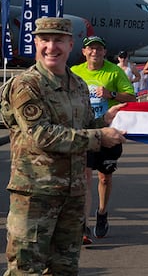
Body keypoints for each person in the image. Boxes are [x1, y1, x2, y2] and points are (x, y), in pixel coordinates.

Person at [2, 18, 127, 275]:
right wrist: (99, 136)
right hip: (36, 195)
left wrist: (104, 120)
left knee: (65, 267)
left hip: (72, 194)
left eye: (58, 40)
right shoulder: (26, 85)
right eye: (45, 40)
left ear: (71, 45)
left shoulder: (78, 84)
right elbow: (42, 135)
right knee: (26, 269)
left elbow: (80, 125)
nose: (51, 47)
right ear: (35, 43)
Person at [71, 35, 136, 242]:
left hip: (108, 132)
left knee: (104, 177)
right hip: (86, 132)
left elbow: (131, 98)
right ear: (84, 52)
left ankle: (102, 213)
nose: (95, 52)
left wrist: (111, 93)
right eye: (91, 49)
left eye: (99, 49)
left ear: (104, 52)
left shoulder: (114, 71)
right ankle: (84, 226)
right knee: (86, 176)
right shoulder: (74, 72)